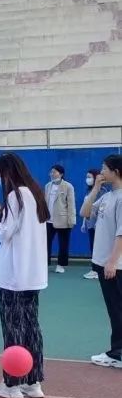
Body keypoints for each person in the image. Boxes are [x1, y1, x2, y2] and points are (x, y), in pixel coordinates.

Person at [0, 152, 49, 398]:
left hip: (14, 275)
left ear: (7, 173)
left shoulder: (15, 195)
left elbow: (3, 233)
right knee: (31, 327)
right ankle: (33, 381)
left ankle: (11, 383)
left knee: (13, 328)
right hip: (33, 274)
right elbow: (18, 225)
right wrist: (0, 209)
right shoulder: (34, 193)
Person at [80, 154, 122, 368]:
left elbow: (121, 234)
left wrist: (112, 262)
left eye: (105, 168)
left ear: (116, 172)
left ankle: (118, 353)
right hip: (103, 262)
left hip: (115, 265)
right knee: (114, 309)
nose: (101, 172)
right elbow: (85, 212)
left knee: (117, 309)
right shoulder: (107, 197)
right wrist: (96, 188)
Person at [44, 165, 75, 273]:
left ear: (61, 174)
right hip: (48, 220)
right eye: (51, 172)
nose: (52, 174)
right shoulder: (48, 186)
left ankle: (61, 265)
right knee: (45, 243)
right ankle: (45, 264)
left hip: (63, 220)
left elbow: (71, 204)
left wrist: (71, 220)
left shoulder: (68, 186)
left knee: (63, 244)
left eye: (54, 172)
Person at [81, 169, 110, 280]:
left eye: (90, 177)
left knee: (97, 247)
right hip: (90, 224)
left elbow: (102, 209)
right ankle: (95, 269)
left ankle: (96, 270)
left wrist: (99, 223)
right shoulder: (89, 191)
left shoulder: (102, 191)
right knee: (92, 246)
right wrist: (84, 223)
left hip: (98, 225)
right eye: (87, 177)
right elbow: (86, 208)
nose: (87, 179)